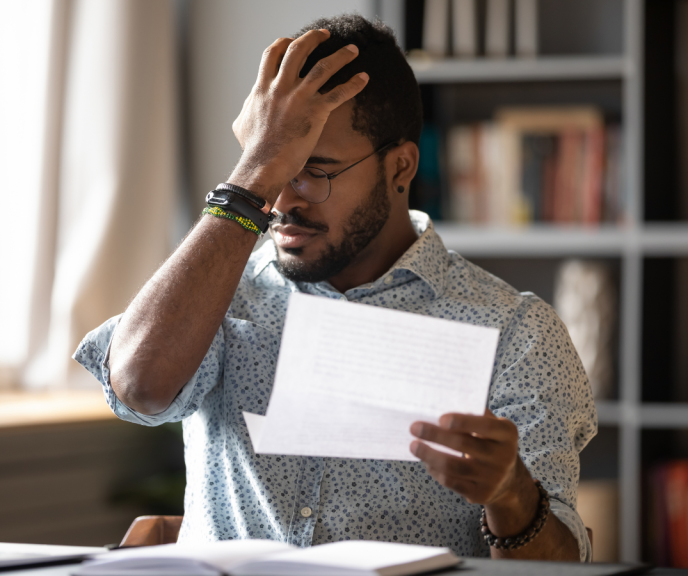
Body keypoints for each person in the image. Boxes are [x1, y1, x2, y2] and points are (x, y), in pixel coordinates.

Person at [74, 14, 596, 561]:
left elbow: (560, 571)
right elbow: (138, 387)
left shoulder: (515, 333)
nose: (282, 202)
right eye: (275, 169)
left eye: (314, 170)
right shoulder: (221, 295)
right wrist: (254, 172)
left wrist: (512, 495)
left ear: (400, 168)